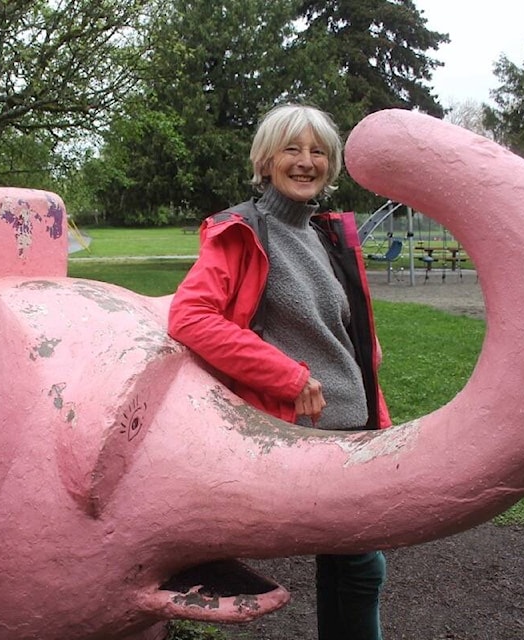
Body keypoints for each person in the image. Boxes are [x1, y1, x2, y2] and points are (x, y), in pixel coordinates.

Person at [167, 103, 391, 640]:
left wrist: (372, 396)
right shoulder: (242, 231)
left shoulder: (329, 236)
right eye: (292, 148)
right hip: (298, 430)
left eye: (318, 151)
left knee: (351, 566)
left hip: (352, 426)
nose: (306, 161)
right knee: (360, 566)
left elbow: (350, 332)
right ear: (266, 160)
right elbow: (190, 316)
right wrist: (288, 376)